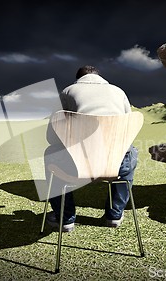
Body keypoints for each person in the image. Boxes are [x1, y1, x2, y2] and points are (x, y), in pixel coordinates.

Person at [44, 65, 138, 232]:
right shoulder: (119, 92)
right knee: (131, 151)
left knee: (50, 153)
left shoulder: (68, 92)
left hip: (76, 166)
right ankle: (114, 215)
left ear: (78, 79)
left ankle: (65, 219)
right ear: (99, 77)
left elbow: (51, 137)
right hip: (116, 165)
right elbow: (127, 131)